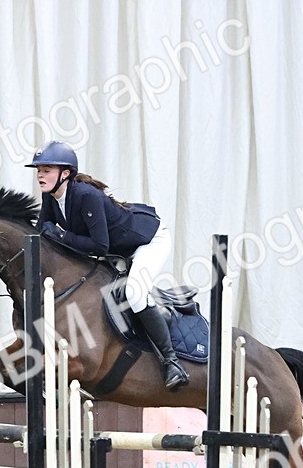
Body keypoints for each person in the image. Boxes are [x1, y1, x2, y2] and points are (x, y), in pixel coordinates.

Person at [26, 141, 189, 391]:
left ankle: (171, 362)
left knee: (134, 293)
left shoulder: (86, 196)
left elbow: (98, 246)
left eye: (46, 170)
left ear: (65, 173)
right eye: (38, 170)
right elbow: (43, 237)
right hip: (117, 248)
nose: (40, 175)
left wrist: (59, 235)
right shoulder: (50, 197)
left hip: (147, 241)